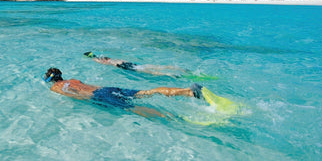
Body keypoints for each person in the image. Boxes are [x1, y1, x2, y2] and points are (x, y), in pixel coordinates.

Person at [43, 67, 206, 120]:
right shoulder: (73, 79)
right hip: (105, 89)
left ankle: (172, 118)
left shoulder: (54, 88)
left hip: (99, 97)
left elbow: (72, 95)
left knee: (132, 108)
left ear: (50, 79)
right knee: (147, 92)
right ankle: (189, 92)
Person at [83, 51, 187, 77]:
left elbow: (98, 60)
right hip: (129, 63)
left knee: (152, 72)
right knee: (156, 67)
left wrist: (92, 57)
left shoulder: (106, 62)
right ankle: (179, 69)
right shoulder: (113, 59)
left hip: (124, 66)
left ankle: (170, 75)